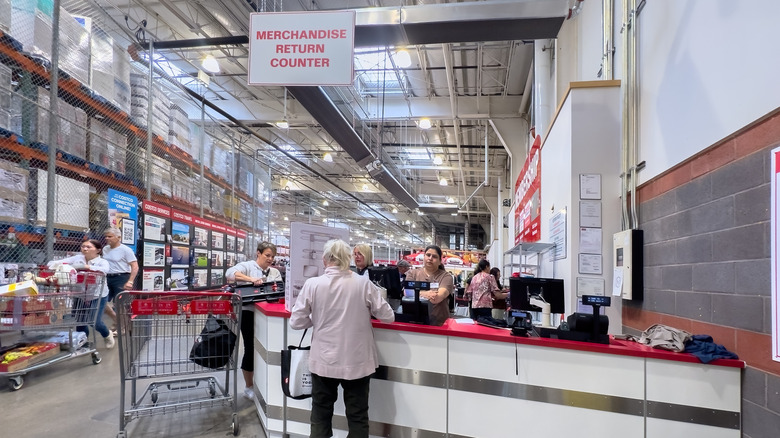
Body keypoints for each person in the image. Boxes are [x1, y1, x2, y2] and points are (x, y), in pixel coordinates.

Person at [290, 239, 394, 438]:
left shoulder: (313, 284)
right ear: (349, 259)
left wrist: (316, 318)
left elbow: (296, 322)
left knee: (320, 413)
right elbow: (388, 316)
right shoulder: (363, 283)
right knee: (357, 416)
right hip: (358, 361)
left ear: (324, 260)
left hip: (323, 361)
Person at [225, 241, 282, 400]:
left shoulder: (275, 272)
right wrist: (251, 280)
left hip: (269, 316)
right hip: (249, 313)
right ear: (258, 253)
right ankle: (249, 386)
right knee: (250, 348)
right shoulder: (248, 266)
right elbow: (230, 274)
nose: (270, 259)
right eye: (267, 255)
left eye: (272, 256)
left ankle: (264, 382)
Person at [52, 239, 114, 349]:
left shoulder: (102, 262)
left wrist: (86, 267)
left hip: (97, 295)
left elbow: (104, 270)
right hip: (80, 294)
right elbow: (61, 262)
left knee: (95, 322)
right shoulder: (77, 258)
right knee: (80, 321)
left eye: (88, 247)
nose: (84, 249)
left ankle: (107, 334)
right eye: (83, 246)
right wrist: (55, 266)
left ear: (98, 250)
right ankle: (82, 342)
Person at [403, 245, 454, 326]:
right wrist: (426, 293)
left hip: (439, 323)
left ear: (440, 261)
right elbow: (407, 293)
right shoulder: (412, 273)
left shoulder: (446, 277)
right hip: (415, 321)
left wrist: (416, 292)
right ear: (424, 257)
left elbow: (436, 298)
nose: (430, 258)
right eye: (428, 255)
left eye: (434, 256)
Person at [102, 228, 138, 330]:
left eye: (110, 236)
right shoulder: (105, 249)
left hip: (121, 277)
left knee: (120, 304)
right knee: (102, 302)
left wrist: (130, 281)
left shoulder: (126, 250)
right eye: (106, 236)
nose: (107, 238)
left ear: (118, 237)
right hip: (108, 278)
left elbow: (135, 266)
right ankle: (117, 321)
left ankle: (122, 326)